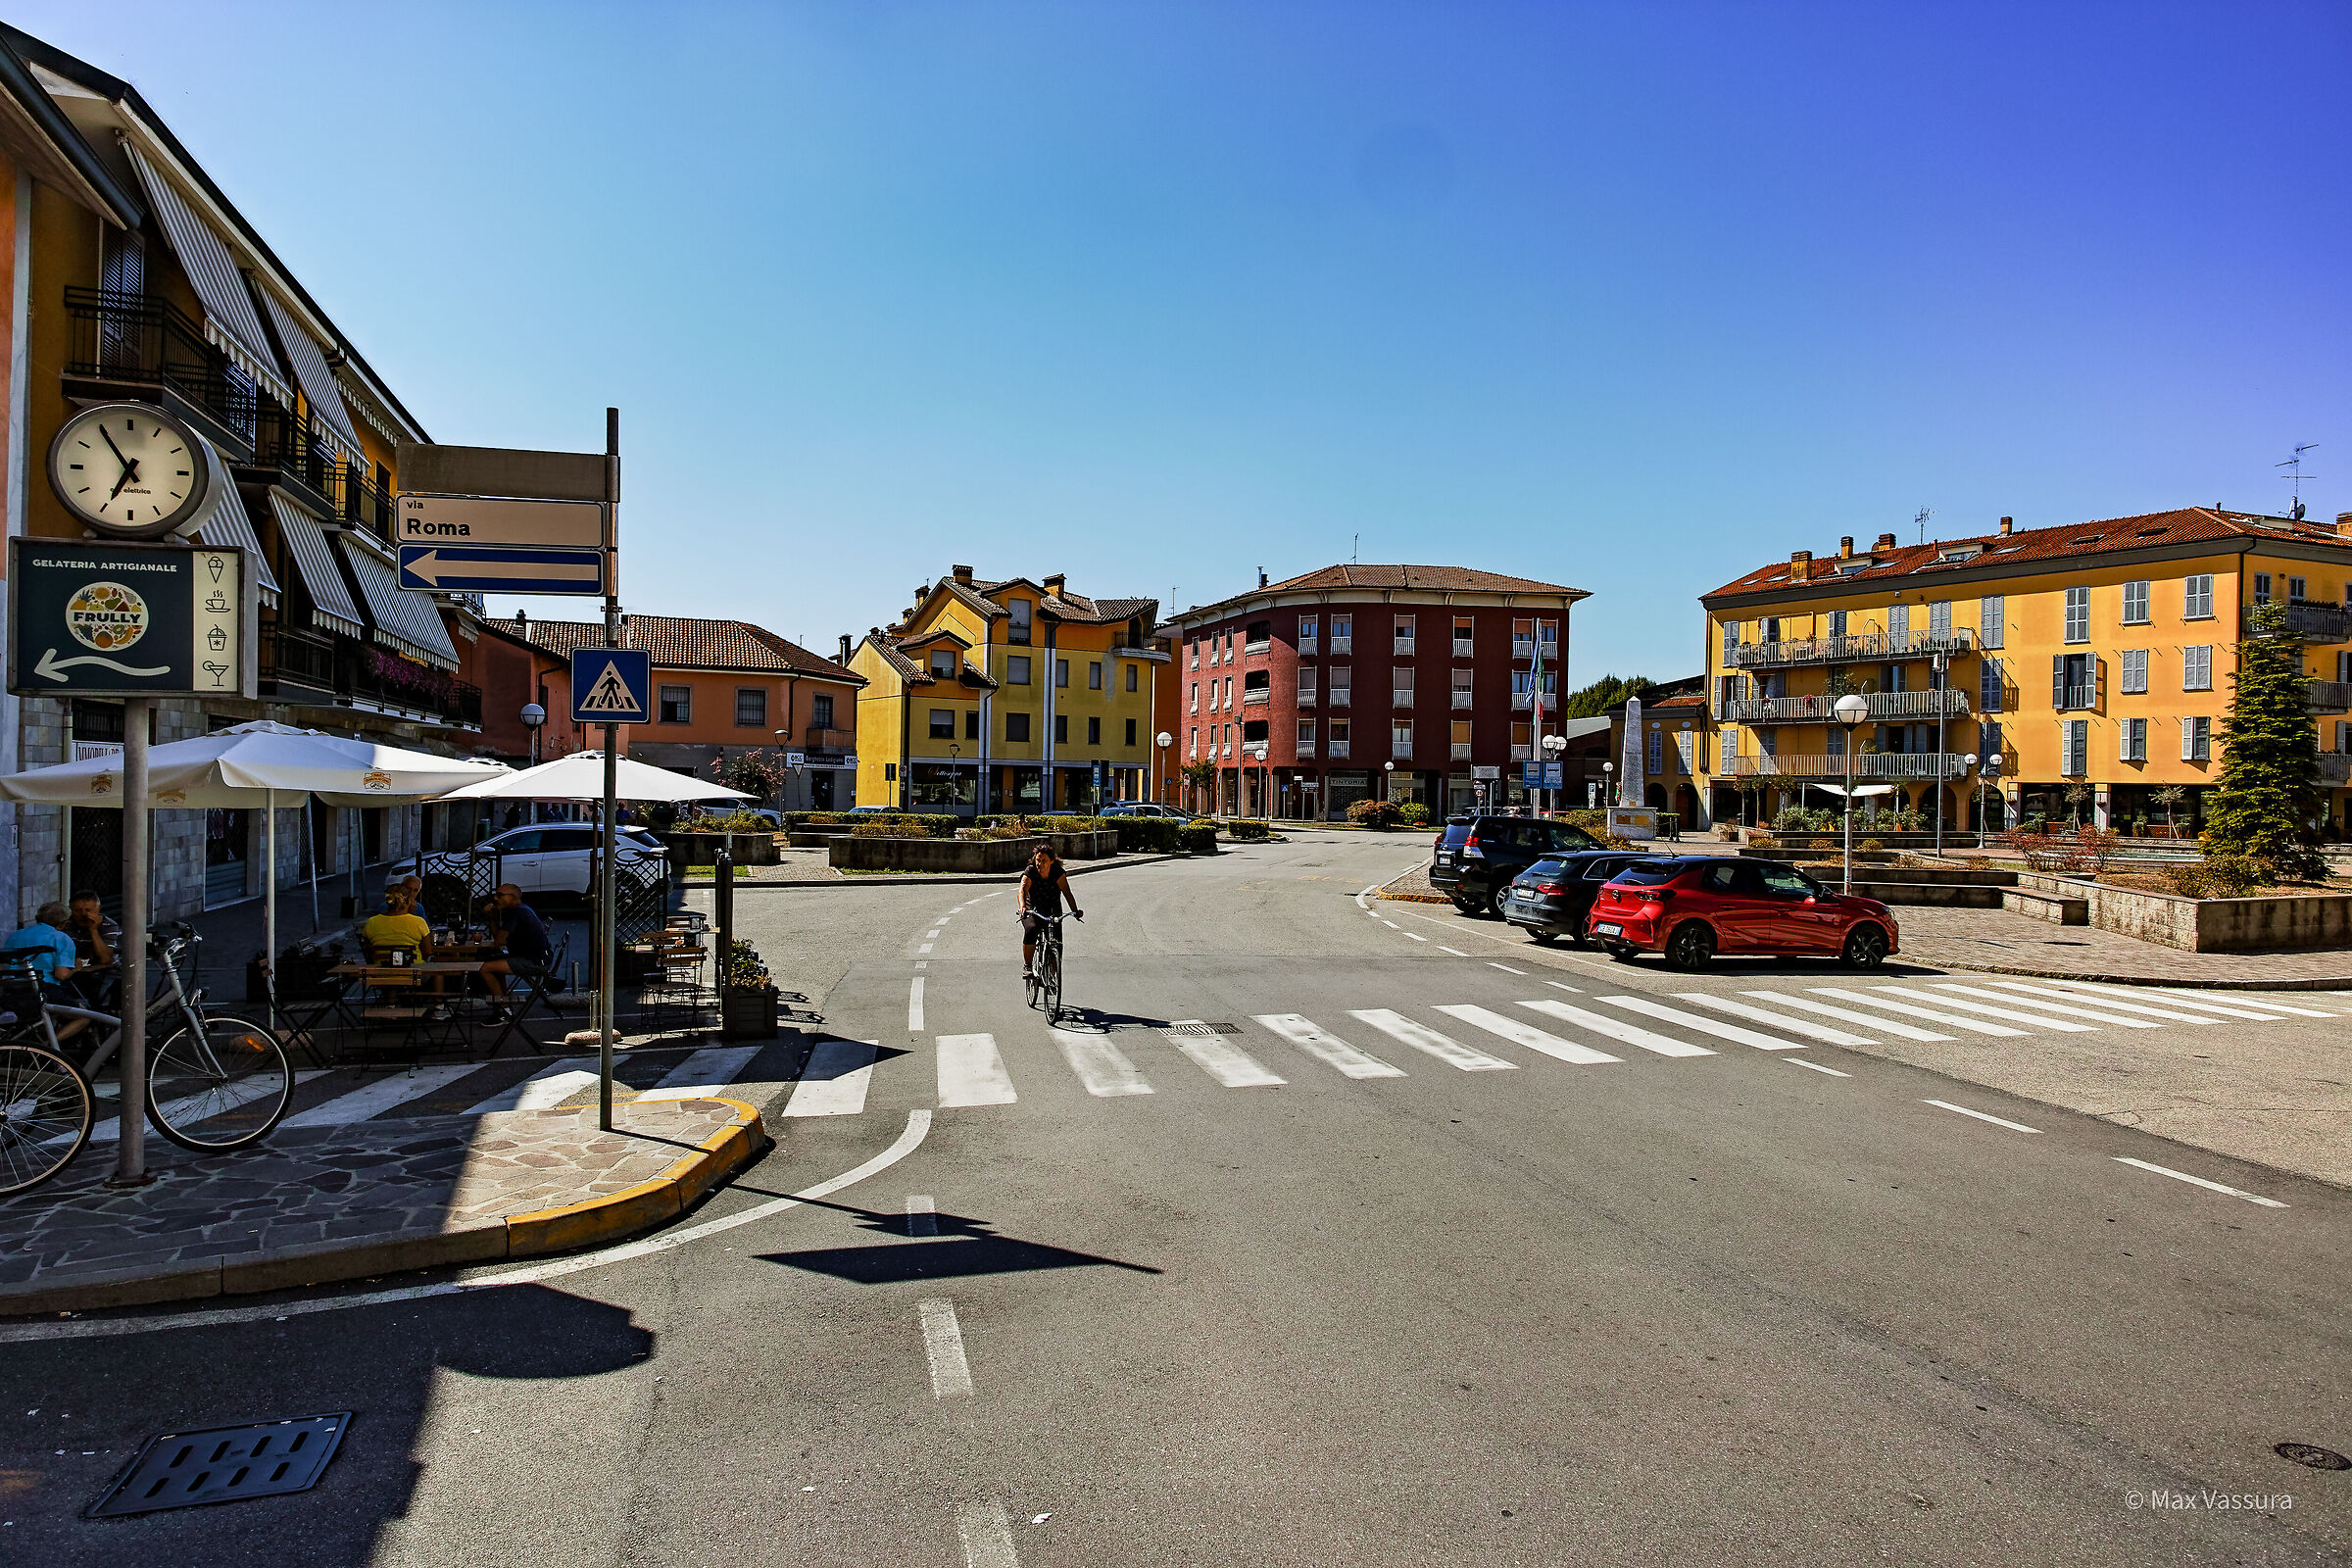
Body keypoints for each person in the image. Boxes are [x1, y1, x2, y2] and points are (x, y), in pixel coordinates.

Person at [482, 882, 552, 1012]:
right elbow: (499, 938)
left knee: (485, 968)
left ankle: (503, 1010)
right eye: (496, 895)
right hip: (537, 957)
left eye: (500, 895)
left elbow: (499, 941)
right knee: (494, 964)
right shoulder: (520, 910)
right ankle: (503, 1002)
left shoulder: (517, 913)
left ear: (513, 897)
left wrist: (492, 917)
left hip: (534, 961)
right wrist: (492, 917)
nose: (496, 898)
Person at [1016, 843, 1082, 980]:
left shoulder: (1057, 872)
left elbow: (1067, 892)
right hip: (1032, 911)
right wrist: (1022, 907)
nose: (1040, 864)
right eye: (1037, 860)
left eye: (1043, 861)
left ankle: (1053, 974)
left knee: (1056, 942)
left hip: (1053, 910)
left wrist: (1075, 911)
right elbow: (1022, 889)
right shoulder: (1031, 871)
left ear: (1052, 861)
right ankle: (1028, 966)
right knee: (1032, 929)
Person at [63, 889, 120, 1009]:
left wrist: (93, 930)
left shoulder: (109, 925)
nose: (83, 914)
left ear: (97, 910)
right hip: (76, 972)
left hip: (105, 972)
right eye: (78, 910)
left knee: (98, 998)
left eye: (88, 910)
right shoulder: (66, 925)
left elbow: (104, 958)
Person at [362, 888, 433, 963]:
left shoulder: (372, 922)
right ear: (409, 901)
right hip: (413, 972)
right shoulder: (418, 922)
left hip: (380, 973)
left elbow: (367, 953)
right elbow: (428, 952)